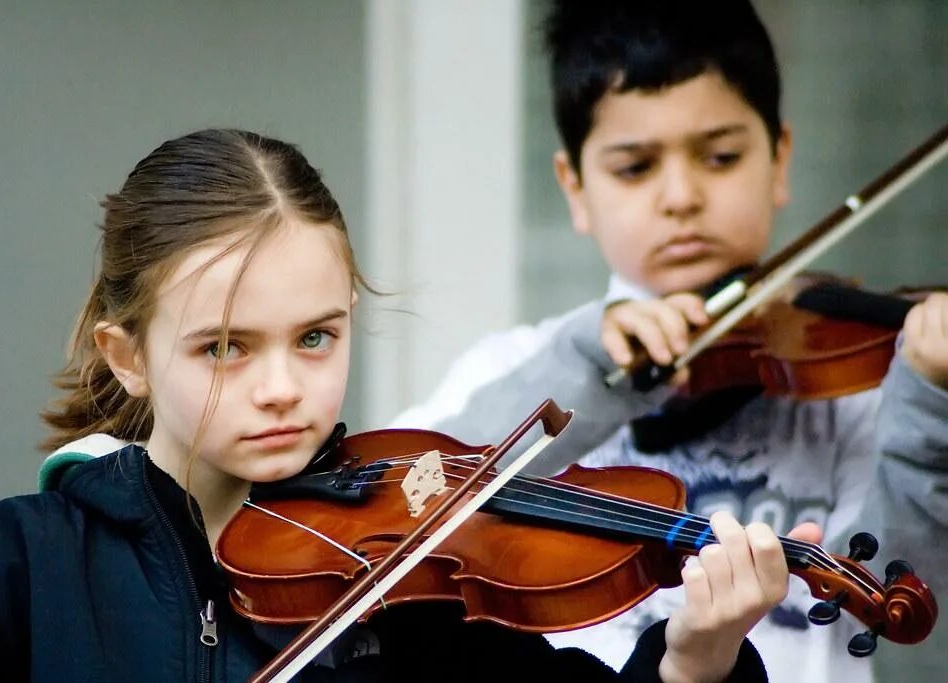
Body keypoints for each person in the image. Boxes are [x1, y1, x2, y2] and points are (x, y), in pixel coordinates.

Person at [0, 128, 813, 682]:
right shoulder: (31, 561)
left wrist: (697, 659)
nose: (281, 387)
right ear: (131, 359)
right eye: (225, 347)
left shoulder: (409, 585)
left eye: (314, 337)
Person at [391, 2, 945, 681]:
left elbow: (906, 594)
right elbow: (402, 505)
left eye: (720, 156)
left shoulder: (857, 397)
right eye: (634, 167)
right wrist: (583, 366)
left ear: (779, 158)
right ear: (575, 188)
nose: (681, 196)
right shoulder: (518, 366)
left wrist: (926, 402)